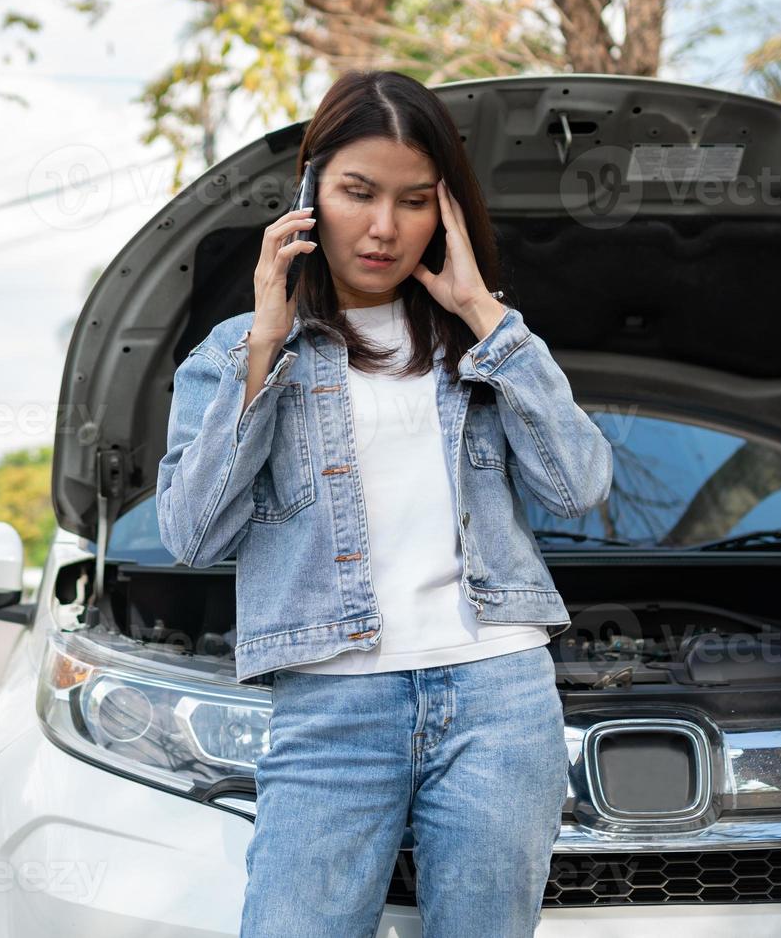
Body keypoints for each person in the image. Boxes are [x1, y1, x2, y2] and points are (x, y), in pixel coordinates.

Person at [156, 70, 615, 937]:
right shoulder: (238, 351)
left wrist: (484, 313)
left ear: (445, 214)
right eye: (356, 193)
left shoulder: (483, 344)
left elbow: (580, 485)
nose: (382, 227)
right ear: (308, 195)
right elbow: (191, 531)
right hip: (333, 705)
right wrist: (266, 341)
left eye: (412, 202)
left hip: (498, 693)